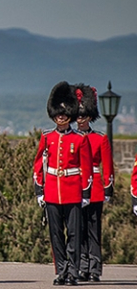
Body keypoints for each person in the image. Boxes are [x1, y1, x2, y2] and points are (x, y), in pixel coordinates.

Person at [34, 82, 93, 286]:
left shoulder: (79, 140)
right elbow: (39, 165)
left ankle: (73, 271)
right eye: (58, 113)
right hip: (52, 191)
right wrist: (39, 190)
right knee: (56, 234)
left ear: (70, 113)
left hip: (72, 191)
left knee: (75, 234)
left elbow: (86, 168)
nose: (61, 116)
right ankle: (61, 270)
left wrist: (85, 193)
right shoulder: (47, 137)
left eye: (65, 112)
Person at [72, 84, 113, 282]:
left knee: (93, 229)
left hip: (95, 187)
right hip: (74, 186)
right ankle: (81, 265)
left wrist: (107, 188)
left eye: (84, 116)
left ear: (90, 116)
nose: (80, 120)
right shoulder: (70, 139)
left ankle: (94, 267)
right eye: (78, 116)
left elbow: (108, 165)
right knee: (77, 228)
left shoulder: (100, 138)